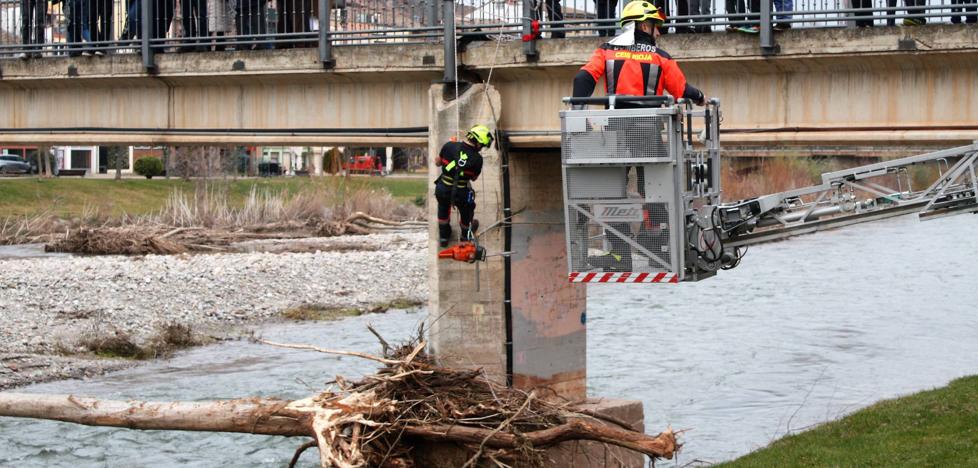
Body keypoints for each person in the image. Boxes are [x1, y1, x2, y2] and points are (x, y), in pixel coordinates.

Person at [572, 0, 706, 271]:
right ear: (643, 25)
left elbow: (582, 79)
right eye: (656, 27)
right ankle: (659, 248)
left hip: (616, 131)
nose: (658, 33)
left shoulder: (607, 51)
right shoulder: (660, 56)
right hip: (648, 130)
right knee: (655, 191)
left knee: (612, 193)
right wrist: (700, 97)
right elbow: (681, 89)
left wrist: (578, 111)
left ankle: (620, 256)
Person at [435, 125, 492, 248]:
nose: (481, 149)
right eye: (481, 146)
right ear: (478, 143)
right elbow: (474, 178)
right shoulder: (478, 159)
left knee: (443, 209)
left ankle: (444, 237)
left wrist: (451, 149)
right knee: (467, 212)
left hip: (443, 188)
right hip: (461, 193)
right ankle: (465, 238)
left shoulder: (449, 145)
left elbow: (437, 162)